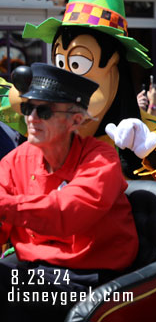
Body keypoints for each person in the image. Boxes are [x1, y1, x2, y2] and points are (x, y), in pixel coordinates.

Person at [19, 0, 156, 196]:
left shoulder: (150, 132)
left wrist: (149, 152)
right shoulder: (44, 123)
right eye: (61, 65)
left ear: (114, 67)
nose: (66, 80)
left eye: (79, 64)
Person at [0, 63, 138, 321]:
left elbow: (69, 212)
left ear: (76, 119)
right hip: (34, 270)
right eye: (28, 108)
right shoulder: (15, 159)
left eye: (44, 111)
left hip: (90, 279)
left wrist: (6, 207)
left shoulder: (101, 157)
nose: (31, 118)